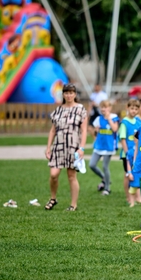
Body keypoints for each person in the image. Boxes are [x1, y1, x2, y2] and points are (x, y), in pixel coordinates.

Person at [45, 83, 88, 211]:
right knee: (53, 174)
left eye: (71, 93)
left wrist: (82, 148)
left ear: (75, 94)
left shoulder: (81, 109)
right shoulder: (58, 110)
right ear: (63, 94)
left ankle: (73, 205)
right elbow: (53, 130)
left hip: (73, 147)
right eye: (66, 93)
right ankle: (53, 198)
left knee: (71, 175)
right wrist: (48, 148)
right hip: (58, 147)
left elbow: (84, 130)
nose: (69, 95)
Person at [89, 100, 119, 195]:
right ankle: (104, 178)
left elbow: (115, 129)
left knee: (105, 166)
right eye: (101, 107)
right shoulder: (98, 119)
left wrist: (108, 118)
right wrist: (95, 130)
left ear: (110, 108)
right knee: (92, 165)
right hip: (99, 145)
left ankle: (107, 189)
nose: (103, 109)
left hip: (109, 146)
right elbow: (94, 132)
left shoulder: (114, 117)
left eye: (105, 107)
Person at [118, 99, 141, 203]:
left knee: (136, 174)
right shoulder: (124, 123)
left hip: (136, 154)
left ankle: (137, 197)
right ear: (127, 108)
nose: (134, 111)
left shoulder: (138, 122)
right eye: (132, 108)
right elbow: (122, 139)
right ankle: (128, 197)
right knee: (128, 175)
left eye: (136, 109)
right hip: (127, 154)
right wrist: (127, 152)